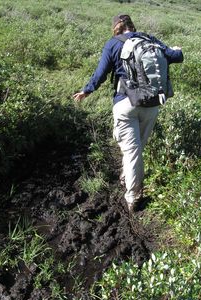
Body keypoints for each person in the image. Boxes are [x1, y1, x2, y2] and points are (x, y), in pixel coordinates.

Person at [73, 14, 183, 213]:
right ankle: (127, 177)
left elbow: (100, 73)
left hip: (125, 103)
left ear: (115, 27)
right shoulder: (149, 39)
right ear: (132, 26)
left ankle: (133, 196)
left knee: (132, 151)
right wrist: (178, 49)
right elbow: (176, 57)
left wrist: (86, 90)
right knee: (137, 149)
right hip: (151, 104)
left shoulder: (112, 44)